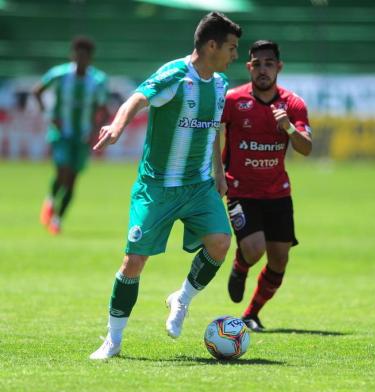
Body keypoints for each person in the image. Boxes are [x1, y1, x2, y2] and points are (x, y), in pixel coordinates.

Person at [89, 12, 242, 360]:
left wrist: (218, 172)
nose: (235, 55)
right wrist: (117, 126)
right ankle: (113, 341)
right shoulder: (176, 75)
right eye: (232, 48)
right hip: (157, 187)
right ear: (211, 45)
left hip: (199, 186)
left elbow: (213, 130)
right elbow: (137, 98)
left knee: (220, 244)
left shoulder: (219, 84)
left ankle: (182, 299)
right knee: (133, 262)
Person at [221, 40, 312, 331]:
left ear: (279, 67)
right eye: (257, 64)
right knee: (254, 248)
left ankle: (251, 313)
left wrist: (287, 126)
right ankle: (240, 265)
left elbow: (306, 148)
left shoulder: (293, 104)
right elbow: (211, 133)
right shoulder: (233, 100)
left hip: (277, 193)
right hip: (240, 190)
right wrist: (215, 172)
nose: (263, 70)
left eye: (268, 64)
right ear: (249, 67)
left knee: (279, 258)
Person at [33, 36, 109, 235]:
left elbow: (103, 110)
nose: (81, 59)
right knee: (63, 172)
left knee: (73, 179)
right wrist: (49, 115)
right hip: (61, 134)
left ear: (90, 58)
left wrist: (94, 130)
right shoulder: (59, 75)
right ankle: (50, 201)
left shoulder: (98, 80)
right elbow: (37, 91)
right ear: (72, 55)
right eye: (78, 55)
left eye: (85, 56)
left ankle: (57, 219)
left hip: (83, 136)